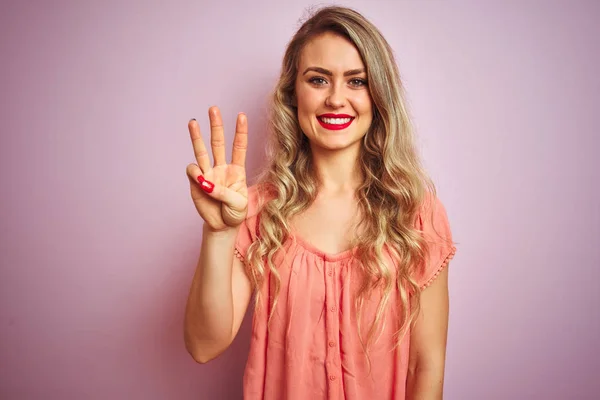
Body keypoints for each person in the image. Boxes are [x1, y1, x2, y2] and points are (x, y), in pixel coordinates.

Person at [184, 5, 456, 400]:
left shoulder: (417, 214)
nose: (335, 98)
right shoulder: (255, 211)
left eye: (356, 81)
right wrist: (219, 232)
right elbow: (203, 345)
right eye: (318, 79)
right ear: (294, 94)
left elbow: (426, 365)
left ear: (379, 94)